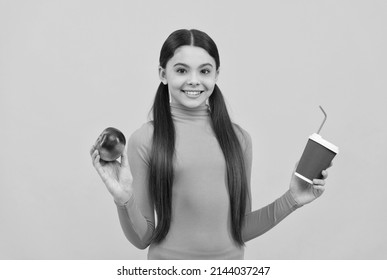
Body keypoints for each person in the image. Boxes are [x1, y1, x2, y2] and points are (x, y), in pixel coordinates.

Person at [90, 29, 331, 260]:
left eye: (204, 71)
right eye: (182, 70)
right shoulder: (145, 140)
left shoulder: (239, 139)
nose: (194, 81)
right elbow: (142, 238)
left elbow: (240, 228)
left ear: (216, 74)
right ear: (163, 74)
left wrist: (293, 199)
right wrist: (123, 198)